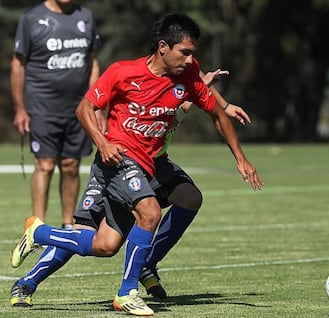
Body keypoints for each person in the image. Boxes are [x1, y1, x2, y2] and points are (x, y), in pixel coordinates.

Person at [10, 12, 263, 316]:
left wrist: (241, 157)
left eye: (192, 53)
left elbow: (214, 110)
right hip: (117, 161)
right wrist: (103, 143)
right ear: (162, 47)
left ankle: (52, 237)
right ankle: (53, 285)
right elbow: (85, 108)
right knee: (142, 214)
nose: (190, 59)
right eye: (184, 52)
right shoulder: (123, 73)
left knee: (108, 243)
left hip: (154, 165)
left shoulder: (188, 73)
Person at [10, 0, 101, 229]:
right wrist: (20, 108)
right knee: (45, 165)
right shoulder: (31, 18)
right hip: (42, 106)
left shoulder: (86, 17)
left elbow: (93, 63)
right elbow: (18, 64)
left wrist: (95, 105)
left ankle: (68, 224)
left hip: (78, 107)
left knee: (71, 165)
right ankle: (37, 226)